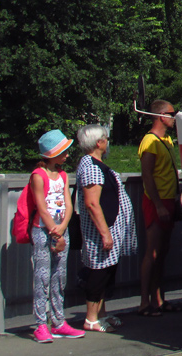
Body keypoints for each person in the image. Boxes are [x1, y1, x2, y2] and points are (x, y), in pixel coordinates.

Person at [76, 124, 136, 332]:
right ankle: (91, 318)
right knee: (98, 273)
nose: (108, 143)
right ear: (99, 142)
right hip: (100, 233)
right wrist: (105, 233)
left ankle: (101, 313)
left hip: (110, 230)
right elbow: (92, 203)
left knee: (107, 271)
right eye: (106, 139)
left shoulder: (98, 165)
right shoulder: (91, 166)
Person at [29, 130, 84, 343]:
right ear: (52, 154)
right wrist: (54, 230)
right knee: (42, 277)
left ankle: (59, 322)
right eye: (63, 151)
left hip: (61, 230)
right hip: (44, 231)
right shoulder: (38, 176)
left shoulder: (62, 176)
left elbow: (69, 203)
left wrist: (63, 227)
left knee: (59, 277)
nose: (67, 155)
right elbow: (41, 207)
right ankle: (41, 324)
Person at [138, 100, 181, 316]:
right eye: (173, 114)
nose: (175, 117)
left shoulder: (167, 140)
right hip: (157, 201)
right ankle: (144, 302)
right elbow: (147, 175)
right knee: (152, 252)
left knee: (163, 252)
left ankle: (159, 299)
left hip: (169, 199)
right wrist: (157, 204)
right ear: (161, 115)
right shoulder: (150, 141)